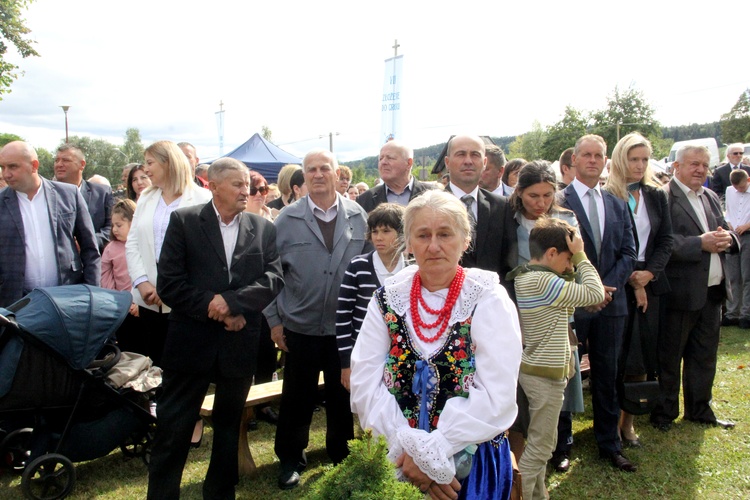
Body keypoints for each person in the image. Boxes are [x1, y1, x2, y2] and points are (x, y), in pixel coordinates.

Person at [350, 190, 522, 500]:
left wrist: (436, 452)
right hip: (397, 459)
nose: (433, 246)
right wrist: (409, 453)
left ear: (464, 240)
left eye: (445, 234)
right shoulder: (388, 300)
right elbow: (364, 383)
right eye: (423, 235)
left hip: (471, 461)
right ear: (409, 243)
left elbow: (498, 396)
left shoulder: (487, 299)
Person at [147, 158, 283, 499]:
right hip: (191, 342)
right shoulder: (185, 221)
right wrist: (216, 307)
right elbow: (170, 283)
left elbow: (274, 277)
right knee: (174, 426)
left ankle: (220, 492)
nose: (246, 190)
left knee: (228, 425)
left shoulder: (263, 227)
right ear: (213, 186)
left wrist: (234, 304)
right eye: (237, 184)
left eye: (247, 185)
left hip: (239, 342)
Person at [263, 148, 369, 490]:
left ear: (337, 174)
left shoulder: (358, 216)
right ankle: (291, 458)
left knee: (342, 396)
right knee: (297, 397)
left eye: (325, 168)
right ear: (303, 176)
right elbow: (270, 273)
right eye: (312, 169)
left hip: (345, 328)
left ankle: (342, 455)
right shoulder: (286, 219)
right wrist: (274, 320)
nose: (319, 174)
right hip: (299, 326)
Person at [508, 217, 604, 500]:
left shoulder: (530, 276)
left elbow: (570, 286)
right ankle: (521, 495)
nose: (571, 265)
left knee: (541, 444)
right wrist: (583, 255)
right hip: (545, 376)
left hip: (538, 371)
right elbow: (595, 294)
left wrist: (572, 258)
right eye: (567, 258)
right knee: (540, 448)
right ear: (551, 254)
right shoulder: (545, 282)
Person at [561, 134, 637, 472]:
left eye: (598, 156)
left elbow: (628, 252)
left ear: (606, 161)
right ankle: (561, 446)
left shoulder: (617, 201)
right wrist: (586, 291)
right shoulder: (558, 202)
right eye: (586, 155)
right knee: (565, 375)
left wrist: (607, 287)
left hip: (612, 303)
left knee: (608, 373)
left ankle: (609, 442)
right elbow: (556, 257)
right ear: (574, 160)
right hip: (572, 305)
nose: (592, 160)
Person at [651, 145, 738, 431]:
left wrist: (729, 240)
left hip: (712, 293)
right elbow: (661, 243)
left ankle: (700, 410)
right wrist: (699, 243)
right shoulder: (663, 198)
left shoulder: (711, 196)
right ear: (676, 166)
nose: (700, 169)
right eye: (693, 164)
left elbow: (726, 229)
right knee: (670, 356)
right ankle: (664, 413)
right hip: (679, 294)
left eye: (704, 165)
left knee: (704, 356)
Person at [505, 161, 583, 474]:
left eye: (547, 195)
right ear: (519, 193)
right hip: (520, 312)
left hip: (557, 309)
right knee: (526, 385)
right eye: (533, 196)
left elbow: (576, 262)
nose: (540, 203)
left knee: (557, 379)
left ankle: (559, 445)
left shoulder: (565, 219)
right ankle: (521, 447)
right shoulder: (509, 221)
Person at [604, 132, 673, 448]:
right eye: (634, 158)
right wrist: (632, 278)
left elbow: (665, 240)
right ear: (621, 159)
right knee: (616, 357)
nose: (640, 164)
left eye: (645, 159)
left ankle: (628, 421)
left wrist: (648, 275)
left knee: (641, 359)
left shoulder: (656, 194)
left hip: (650, 280)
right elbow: (609, 246)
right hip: (618, 279)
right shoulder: (608, 194)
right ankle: (609, 421)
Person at [125, 140, 212, 366]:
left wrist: (170, 290)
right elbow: (132, 242)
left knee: (183, 366)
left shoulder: (203, 199)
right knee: (154, 362)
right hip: (149, 300)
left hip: (184, 301)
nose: (146, 170)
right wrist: (142, 282)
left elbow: (204, 254)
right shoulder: (146, 197)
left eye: (150, 163)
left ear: (168, 163)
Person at [0, 141, 100, 308]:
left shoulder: (68, 194)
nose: (6, 174)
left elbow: (90, 249)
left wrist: (92, 294)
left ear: (34, 166)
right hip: (16, 304)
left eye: (12, 167)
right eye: (2, 167)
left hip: (67, 299)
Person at [336, 203, 407, 391]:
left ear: (402, 234)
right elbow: (343, 317)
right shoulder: (357, 266)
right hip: (365, 353)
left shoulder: (412, 268)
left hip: (403, 356)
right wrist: (346, 363)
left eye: (386, 231)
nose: (379, 237)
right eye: (375, 231)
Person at [442, 134, 515, 293]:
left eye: (475, 154)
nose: (468, 161)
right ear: (447, 162)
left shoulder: (502, 207)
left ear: (484, 163)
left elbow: (509, 266)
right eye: (461, 154)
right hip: (442, 304)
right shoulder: (431, 206)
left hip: (490, 303)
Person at [100, 199, 143, 354]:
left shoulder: (143, 244)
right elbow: (106, 277)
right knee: (128, 348)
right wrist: (115, 301)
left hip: (142, 305)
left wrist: (138, 299)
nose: (115, 229)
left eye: (119, 225)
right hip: (122, 308)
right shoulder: (110, 249)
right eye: (113, 225)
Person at [54, 144, 113, 252]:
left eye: (65, 160)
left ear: (82, 164)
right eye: (56, 160)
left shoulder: (102, 194)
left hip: (93, 261)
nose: (59, 164)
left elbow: (111, 228)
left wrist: (88, 242)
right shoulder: (47, 195)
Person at [357, 140, 435, 212]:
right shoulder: (365, 199)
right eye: (380, 158)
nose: (383, 162)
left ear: (409, 163)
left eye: (390, 158)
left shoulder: (433, 194)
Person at [724, 168, 750, 328]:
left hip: (748, 235)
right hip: (733, 235)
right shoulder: (729, 191)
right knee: (732, 275)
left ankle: (746, 313)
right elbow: (728, 211)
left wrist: (747, 225)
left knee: (747, 276)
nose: (739, 190)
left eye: (741, 187)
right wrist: (730, 223)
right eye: (736, 188)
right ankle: (731, 312)